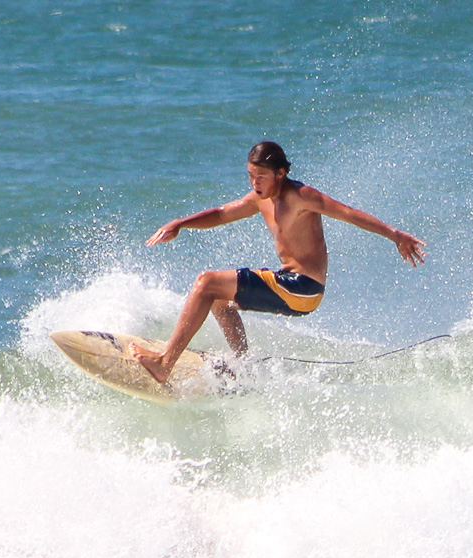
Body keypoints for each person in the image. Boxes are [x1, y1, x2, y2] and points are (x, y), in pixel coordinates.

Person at [130, 141, 426, 383]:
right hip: (292, 288)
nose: (254, 182)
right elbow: (221, 213)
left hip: (304, 288)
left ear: (281, 173)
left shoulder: (300, 196)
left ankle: (164, 363)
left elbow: (347, 213)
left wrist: (395, 235)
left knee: (206, 282)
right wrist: (181, 223)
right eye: (250, 175)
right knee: (218, 299)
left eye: (261, 176)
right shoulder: (260, 198)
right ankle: (242, 369)